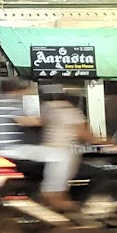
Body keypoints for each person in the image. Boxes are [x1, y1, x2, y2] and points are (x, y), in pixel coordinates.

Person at [41, 84, 100, 213]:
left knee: (52, 194)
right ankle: (84, 213)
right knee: (54, 196)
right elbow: (84, 134)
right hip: (64, 155)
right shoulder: (69, 110)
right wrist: (107, 142)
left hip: (52, 154)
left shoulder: (47, 108)